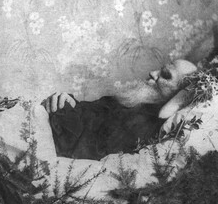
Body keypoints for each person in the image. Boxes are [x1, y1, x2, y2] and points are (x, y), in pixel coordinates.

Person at [43, 59, 198, 159]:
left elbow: (85, 153)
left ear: (178, 95)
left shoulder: (146, 128)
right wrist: (69, 102)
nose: (152, 73)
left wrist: (65, 114)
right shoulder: (133, 101)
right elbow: (92, 112)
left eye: (165, 75)